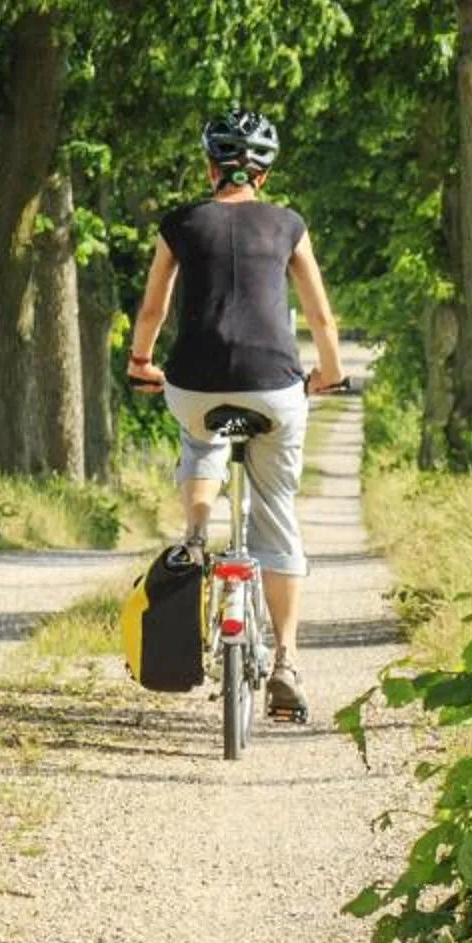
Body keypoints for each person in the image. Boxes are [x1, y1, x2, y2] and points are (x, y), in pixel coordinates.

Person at [124, 109, 346, 722]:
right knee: (276, 515)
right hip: (275, 387)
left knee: (200, 444)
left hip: (194, 383)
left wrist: (142, 362)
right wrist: (327, 374)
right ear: (264, 174)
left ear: (209, 167)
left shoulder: (179, 224)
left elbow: (152, 310)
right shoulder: (289, 226)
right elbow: (322, 319)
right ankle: (286, 662)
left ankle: (195, 540)